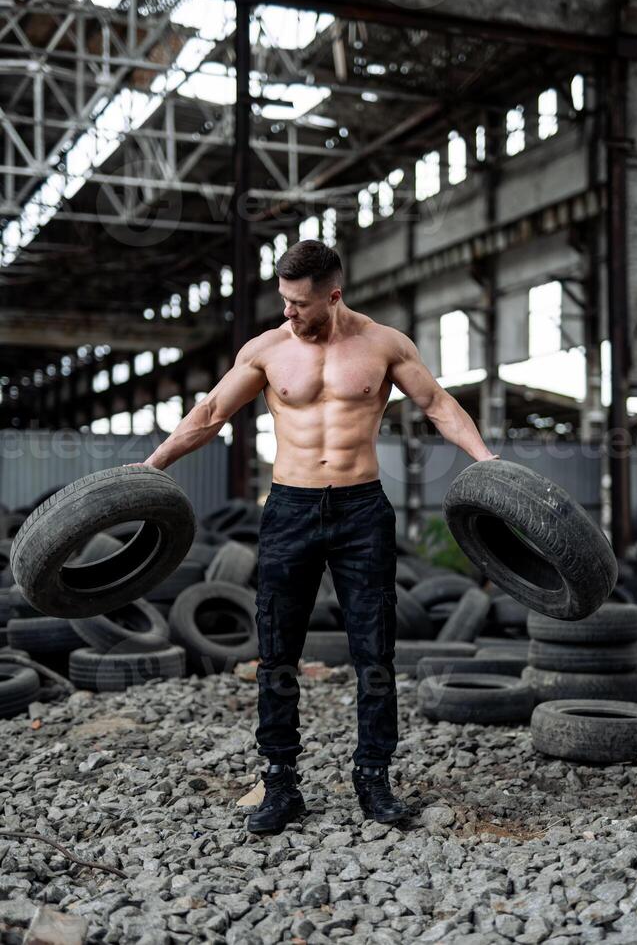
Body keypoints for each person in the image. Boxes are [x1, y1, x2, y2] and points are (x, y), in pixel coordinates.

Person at [132, 239, 499, 833]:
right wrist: (149, 471)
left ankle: (374, 779)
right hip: (289, 509)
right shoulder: (267, 350)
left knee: (373, 650)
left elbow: (436, 405)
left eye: (299, 304)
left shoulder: (384, 345)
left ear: (334, 295)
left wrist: (486, 461)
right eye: (283, 301)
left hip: (362, 511)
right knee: (278, 650)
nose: (288, 314)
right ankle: (280, 781)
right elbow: (209, 415)